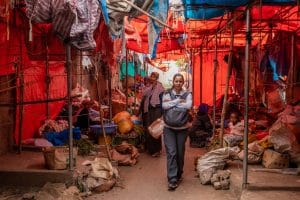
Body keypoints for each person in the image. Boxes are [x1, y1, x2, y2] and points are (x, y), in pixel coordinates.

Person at [162, 73, 192, 191]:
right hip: (168, 128)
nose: (178, 83)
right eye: (176, 81)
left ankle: (179, 173)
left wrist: (172, 104)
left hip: (182, 129)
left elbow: (188, 106)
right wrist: (178, 102)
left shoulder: (187, 94)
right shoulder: (166, 93)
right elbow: (164, 106)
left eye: (180, 81)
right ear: (173, 82)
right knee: (172, 152)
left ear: (183, 82)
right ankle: (172, 179)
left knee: (180, 153)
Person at [140, 72, 165, 157]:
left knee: (155, 130)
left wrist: (162, 114)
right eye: (151, 76)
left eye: (154, 76)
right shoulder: (149, 88)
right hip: (149, 111)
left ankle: (157, 150)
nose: (151, 78)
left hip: (157, 110)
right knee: (149, 129)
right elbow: (144, 99)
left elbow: (162, 101)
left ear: (156, 78)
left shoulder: (160, 88)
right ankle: (151, 149)